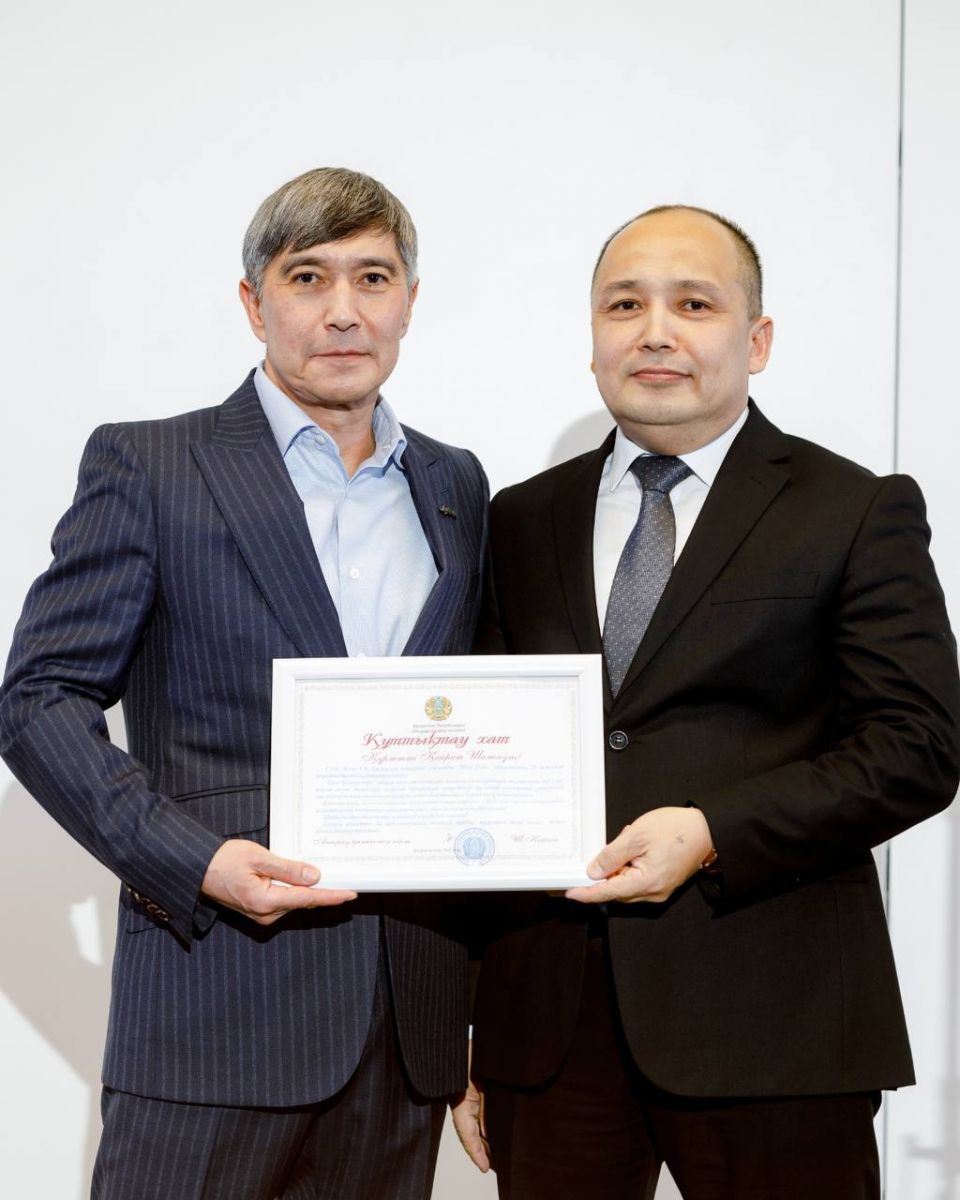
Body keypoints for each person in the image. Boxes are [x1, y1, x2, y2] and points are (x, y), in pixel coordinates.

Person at [453, 205, 960, 1199]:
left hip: (777, 1019)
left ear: (756, 340)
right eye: (624, 305)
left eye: (694, 304)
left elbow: (918, 745)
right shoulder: (519, 517)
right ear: (592, 338)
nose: (655, 331)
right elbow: (486, 764)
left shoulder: (853, 508)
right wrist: (469, 1018)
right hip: (549, 1029)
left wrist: (713, 831)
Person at [0, 167, 488, 1199]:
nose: (344, 309)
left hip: (405, 1028)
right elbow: (39, 700)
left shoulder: (455, 483)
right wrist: (196, 861)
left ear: (409, 301)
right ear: (253, 303)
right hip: (213, 1002)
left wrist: (480, 1010)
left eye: (373, 277)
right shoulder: (151, 465)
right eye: (308, 277)